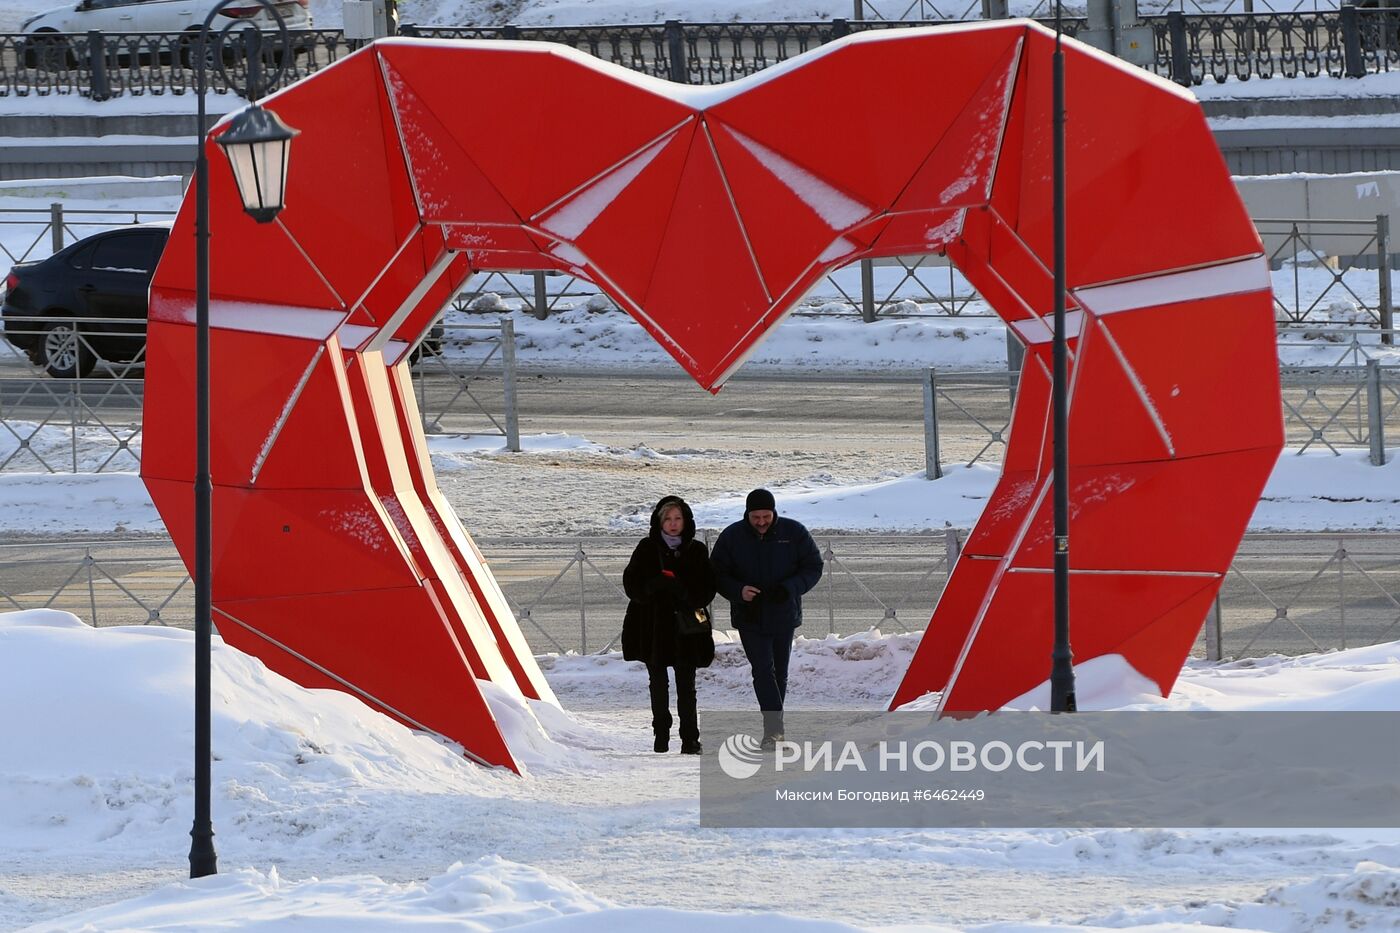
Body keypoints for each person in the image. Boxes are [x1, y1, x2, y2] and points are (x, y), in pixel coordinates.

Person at [710, 488, 823, 747]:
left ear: (774, 512)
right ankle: (773, 729)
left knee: (779, 673)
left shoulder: (794, 533)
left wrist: (789, 588)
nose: (761, 522)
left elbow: (813, 566)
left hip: (784, 613)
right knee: (762, 670)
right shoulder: (732, 536)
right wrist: (738, 591)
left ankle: (775, 727)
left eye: (766, 516)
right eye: (756, 517)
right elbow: (716, 573)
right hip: (749, 615)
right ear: (747, 514)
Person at [621, 495, 717, 755]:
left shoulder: (696, 550)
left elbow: (707, 589)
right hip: (653, 628)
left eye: (678, 519)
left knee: (687, 686)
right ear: (659, 522)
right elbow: (631, 584)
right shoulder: (646, 548)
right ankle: (661, 735)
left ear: (686, 521)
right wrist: (653, 585)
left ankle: (690, 739)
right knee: (658, 683)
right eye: (668, 519)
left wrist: (682, 590)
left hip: (685, 630)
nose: (673, 524)